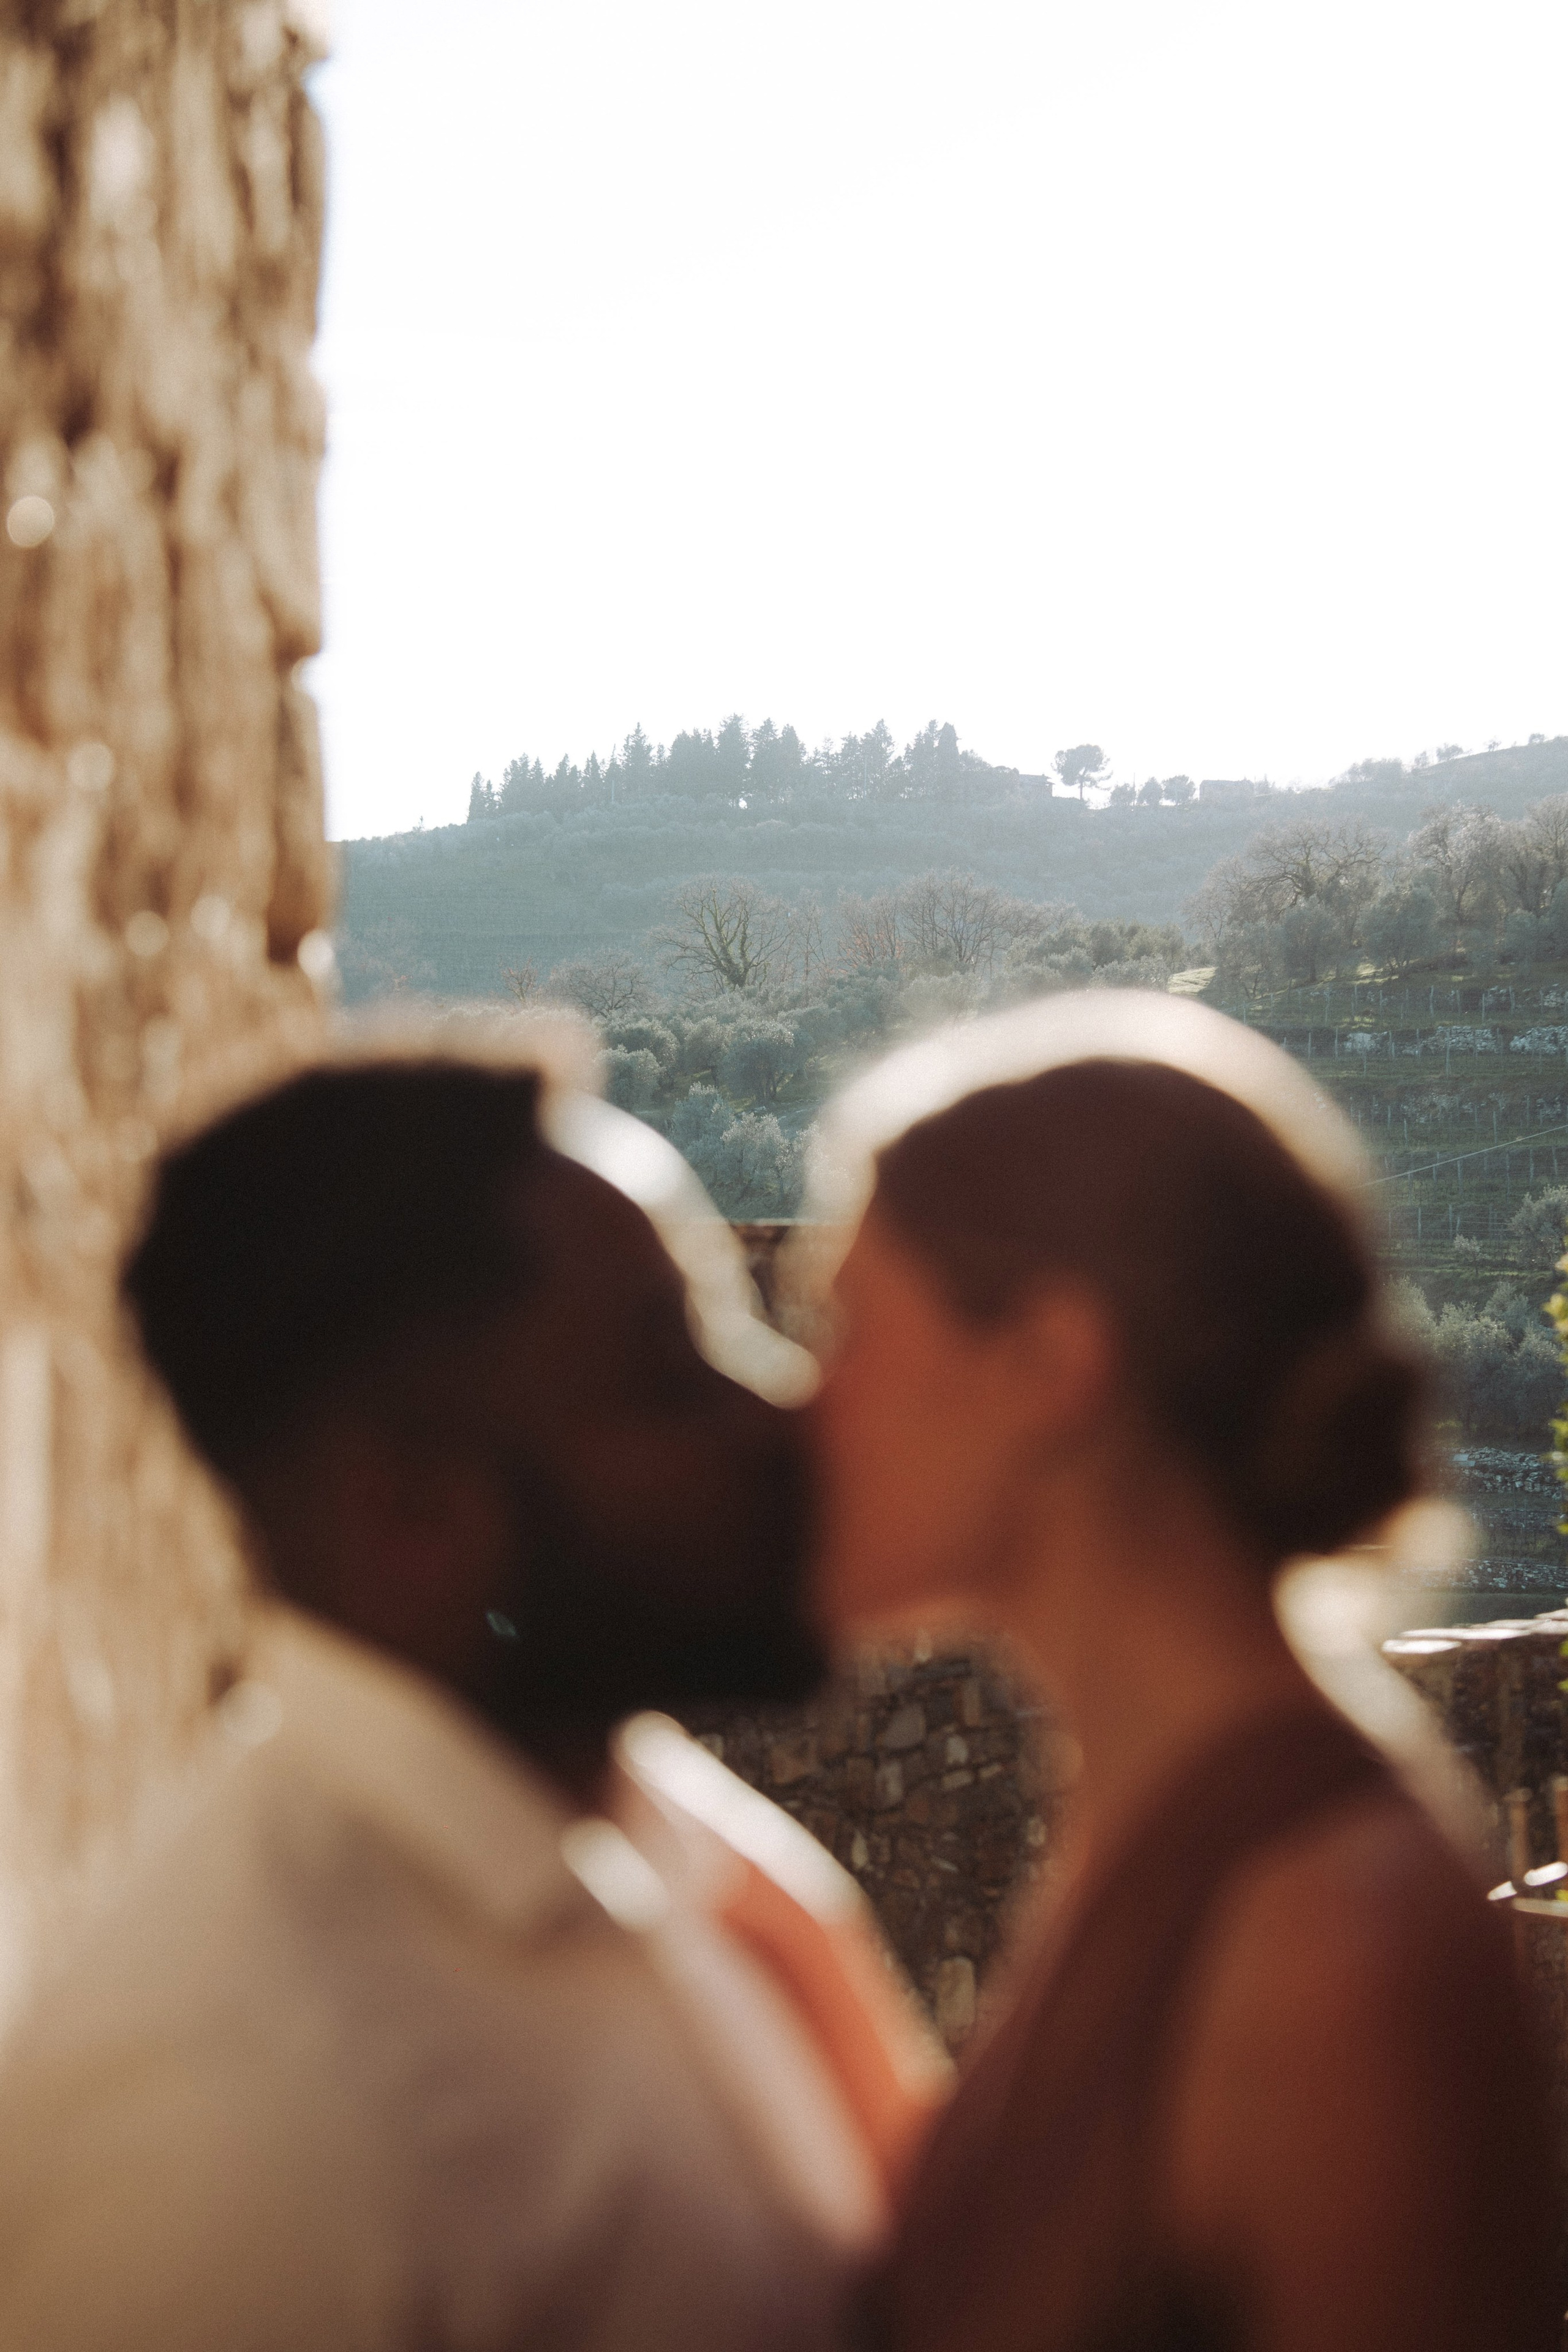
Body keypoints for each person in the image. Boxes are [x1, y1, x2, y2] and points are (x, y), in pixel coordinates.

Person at [0, 1048, 941, 2352]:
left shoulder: (652, 1844)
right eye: (668, 1380)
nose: (776, 1419)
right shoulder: (240, 2125)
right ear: (408, 1509)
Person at [803, 992, 1559, 2352]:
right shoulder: (1157, 1819)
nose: (806, 1402)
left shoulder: (1336, 1943)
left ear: (1047, 1363)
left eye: (845, 1329)